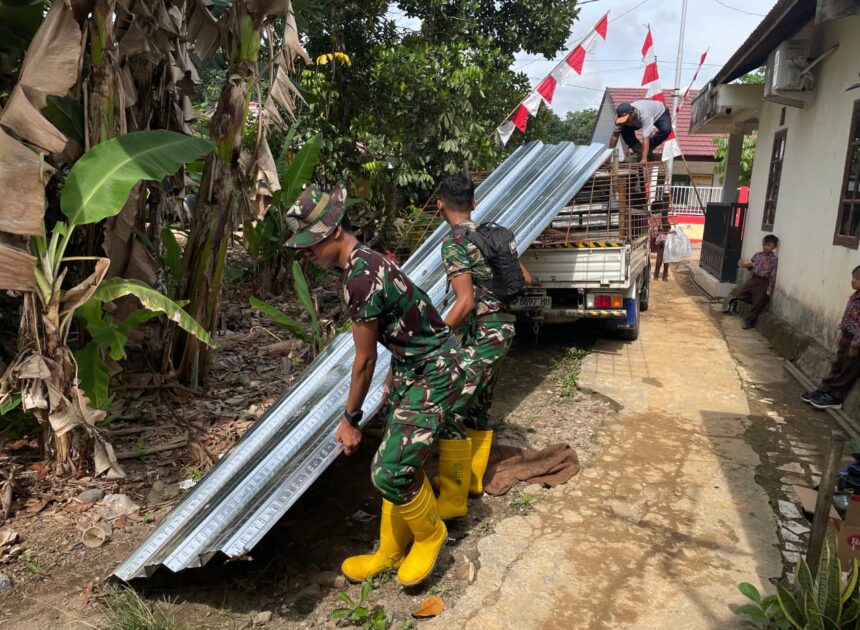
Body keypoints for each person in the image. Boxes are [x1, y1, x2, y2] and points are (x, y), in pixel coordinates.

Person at [285, 185, 463, 587]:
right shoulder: (366, 262)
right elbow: (404, 321)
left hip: (434, 370)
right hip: (413, 364)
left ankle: (431, 535)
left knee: (388, 471)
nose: (308, 254)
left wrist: (349, 418)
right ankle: (388, 551)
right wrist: (396, 368)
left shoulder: (360, 280)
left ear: (333, 233)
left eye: (311, 245)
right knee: (396, 455)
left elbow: (363, 361)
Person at [434, 173, 532, 519]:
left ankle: (452, 499)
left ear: (440, 204)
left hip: (484, 334)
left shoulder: (455, 243)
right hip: (502, 331)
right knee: (477, 408)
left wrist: (432, 339)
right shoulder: (490, 235)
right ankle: (473, 482)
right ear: (474, 203)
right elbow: (526, 279)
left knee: (450, 411)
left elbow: (462, 304)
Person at [801, 266, 860, 410]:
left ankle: (835, 398)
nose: (853, 281)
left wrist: (855, 344)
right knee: (838, 365)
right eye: (853, 277)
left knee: (848, 369)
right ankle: (825, 390)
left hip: (856, 341)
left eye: (857, 279)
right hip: (847, 336)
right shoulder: (855, 296)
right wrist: (841, 332)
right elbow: (847, 316)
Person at [724, 234, 779, 329]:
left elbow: (772, 275)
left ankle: (749, 321)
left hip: (763, 282)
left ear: (774, 247)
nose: (766, 247)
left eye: (769, 245)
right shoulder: (758, 255)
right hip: (753, 279)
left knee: (757, 304)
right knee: (741, 294)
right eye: (764, 244)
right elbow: (752, 264)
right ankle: (759, 303)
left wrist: (770, 287)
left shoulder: (773, 259)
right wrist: (745, 265)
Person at [609, 100, 673, 164]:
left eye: (626, 119)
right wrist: (608, 156)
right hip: (636, 122)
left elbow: (646, 137)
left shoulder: (644, 115)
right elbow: (615, 136)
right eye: (622, 120)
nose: (624, 121)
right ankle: (638, 150)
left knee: (666, 130)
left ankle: (648, 148)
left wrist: (644, 159)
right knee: (624, 129)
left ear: (632, 113)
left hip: (660, 112)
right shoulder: (619, 117)